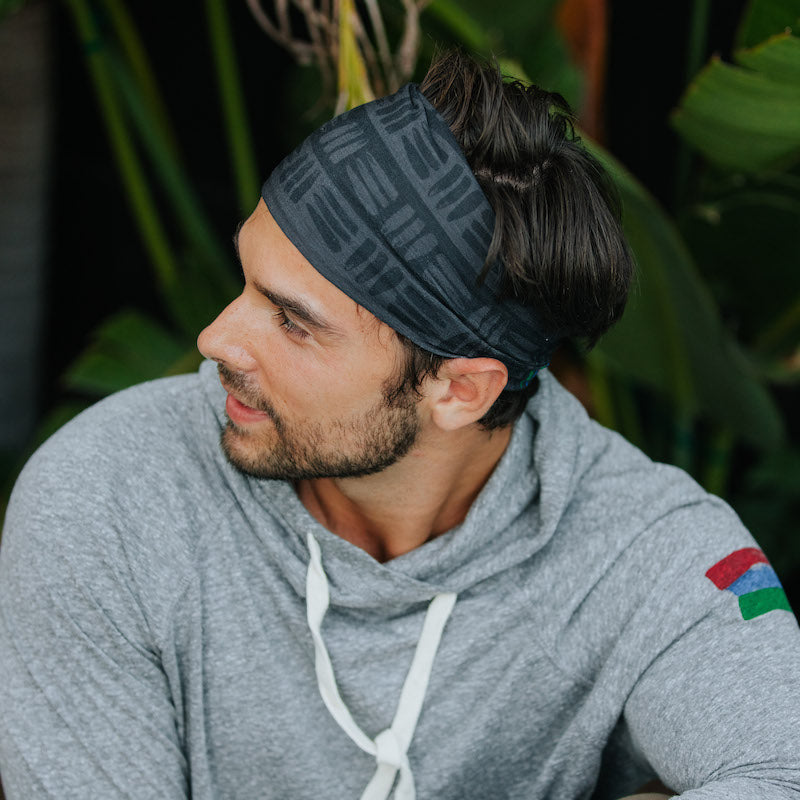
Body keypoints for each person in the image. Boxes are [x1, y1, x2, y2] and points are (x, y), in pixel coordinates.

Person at [0, 49, 798, 800]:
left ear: (459, 389)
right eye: (248, 280)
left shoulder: (645, 551)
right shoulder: (107, 496)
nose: (215, 339)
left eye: (293, 321)